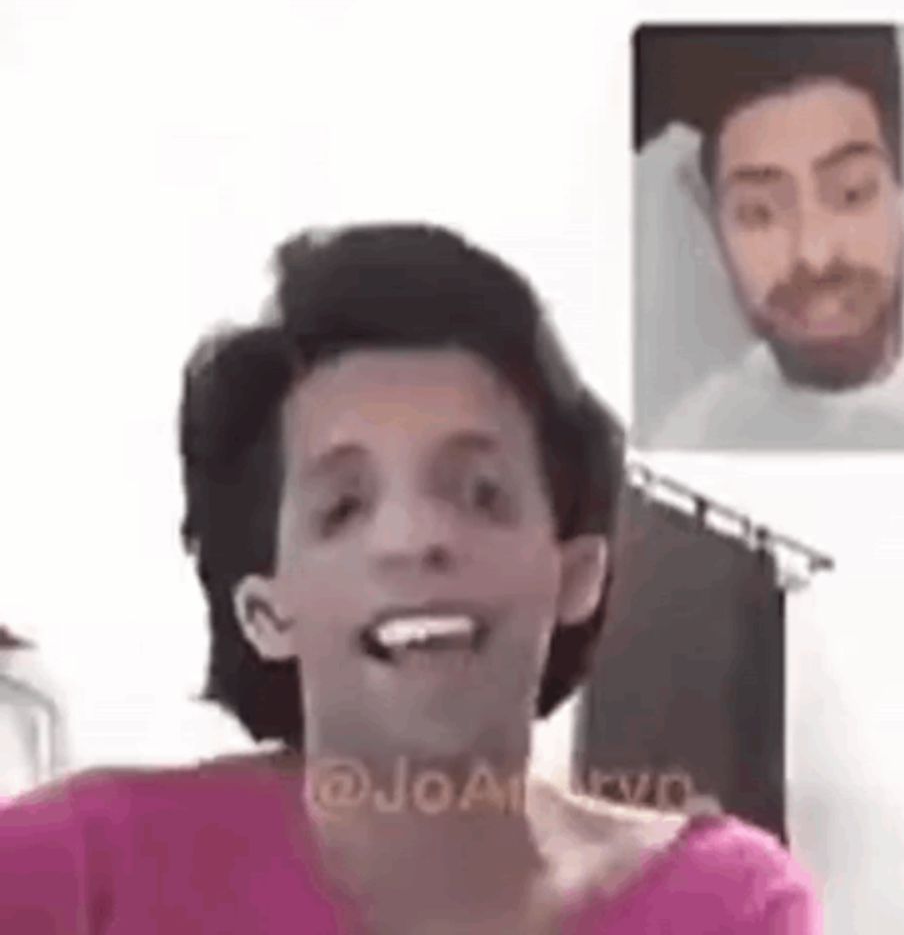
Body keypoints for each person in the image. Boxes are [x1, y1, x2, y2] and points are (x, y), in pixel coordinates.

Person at [0, 224, 821, 932]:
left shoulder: (726, 906)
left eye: (480, 494)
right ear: (265, 612)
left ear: (576, 573)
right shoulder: (77, 872)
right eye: (343, 508)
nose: (414, 539)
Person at [640, 26, 904, 450]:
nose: (813, 254)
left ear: (901, 193)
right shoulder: (693, 435)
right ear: (715, 230)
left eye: (851, 193)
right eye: (759, 213)